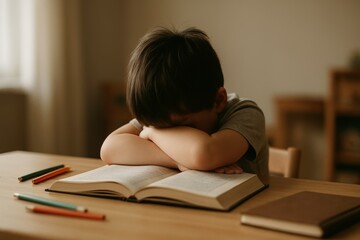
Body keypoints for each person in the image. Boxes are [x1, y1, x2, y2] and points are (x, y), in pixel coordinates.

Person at [100, 27, 268, 176]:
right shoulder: (162, 113)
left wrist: (152, 132)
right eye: (160, 128)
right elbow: (109, 148)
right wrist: (177, 161)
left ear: (218, 101)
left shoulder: (246, 112)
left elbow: (205, 153)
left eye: (183, 126)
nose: (169, 133)